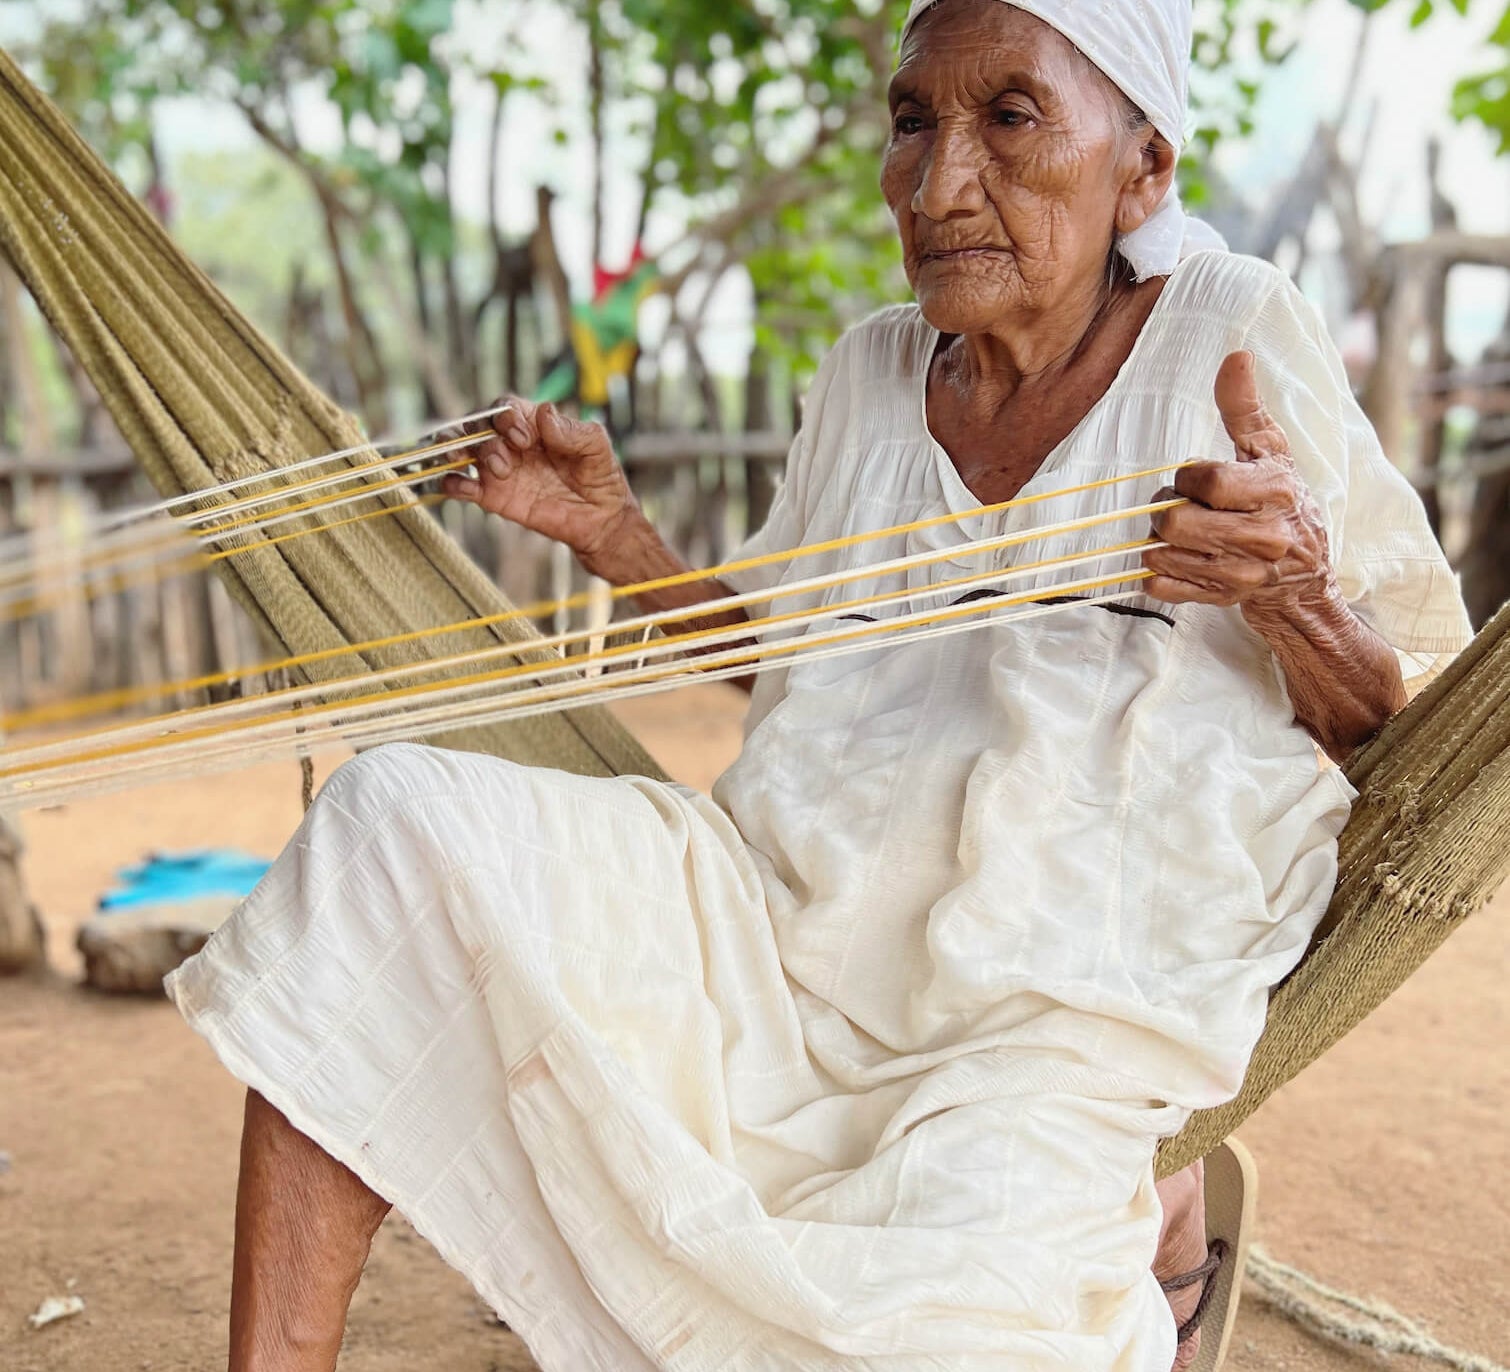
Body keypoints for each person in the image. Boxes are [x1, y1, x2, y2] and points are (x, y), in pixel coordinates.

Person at [166, 0, 1472, 1368]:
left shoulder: (1230, 334)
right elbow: (790, 662)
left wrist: (1294, 595)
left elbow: (1401, 728)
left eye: (1009, 118)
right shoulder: (868, 373)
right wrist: (617, 538)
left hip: (1049, 1021)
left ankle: (1145, 1212)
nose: (938, 183)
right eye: (913, 120)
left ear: (1141, 167)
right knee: (394, 832)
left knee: (938, 1336)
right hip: (773, 933)